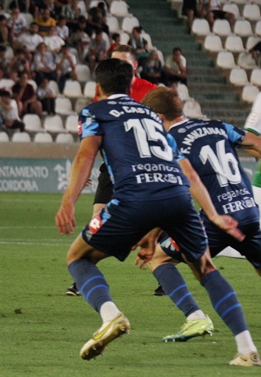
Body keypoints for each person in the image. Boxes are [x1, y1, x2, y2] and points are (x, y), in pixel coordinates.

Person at [55, 58, 258, 365]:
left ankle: (112, 316)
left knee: (78, 257)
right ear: (130, 85)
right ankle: (247, 350)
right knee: (205, 268)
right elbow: (186, 171)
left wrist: (68, 201)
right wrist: (212, 214)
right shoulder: (152, 117)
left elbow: (86, 154)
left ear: (98, 87)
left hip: (134, 197)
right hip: (181, 199)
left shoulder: (95, 112)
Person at [137, 88, 261, 358]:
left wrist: (153, 231)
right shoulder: (217, 126)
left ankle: (196, 317)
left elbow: (175, 192)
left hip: (217, 221)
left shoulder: (167, 141)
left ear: (158, 117)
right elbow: (258, 144)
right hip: (250, 213)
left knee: (158, 257)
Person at [65, 44, 157, 296]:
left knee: (153, 223)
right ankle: (84, 271)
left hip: (144, 169)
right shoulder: (102, 93)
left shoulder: (151, 92)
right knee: (98, 219)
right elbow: (98, 139)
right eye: (114, 63)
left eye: (124, 65)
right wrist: (85, 171)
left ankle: (163, 271)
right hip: (112, 167)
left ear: (135, 67)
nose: (118, 69)